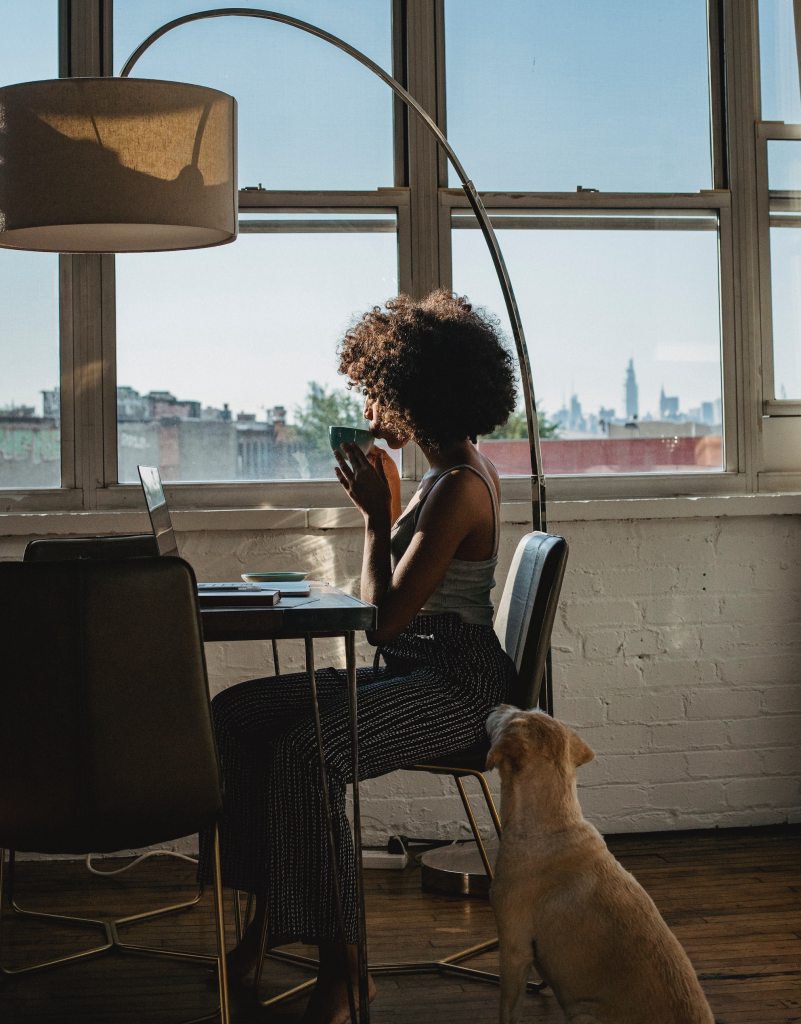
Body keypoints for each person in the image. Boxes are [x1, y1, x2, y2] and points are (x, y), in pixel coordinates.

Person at [201, 290, 519, 1024]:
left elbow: (383, 619)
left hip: (457, 685)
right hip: (419, 667)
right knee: (236, 713)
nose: (368, 406)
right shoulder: (441, 475)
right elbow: (388, 612)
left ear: (414, 397)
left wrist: (376, 520)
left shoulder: (460, 488)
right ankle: (267, 922)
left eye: (375, 392)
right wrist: (383, 511)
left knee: (309, 754)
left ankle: (346, 965)